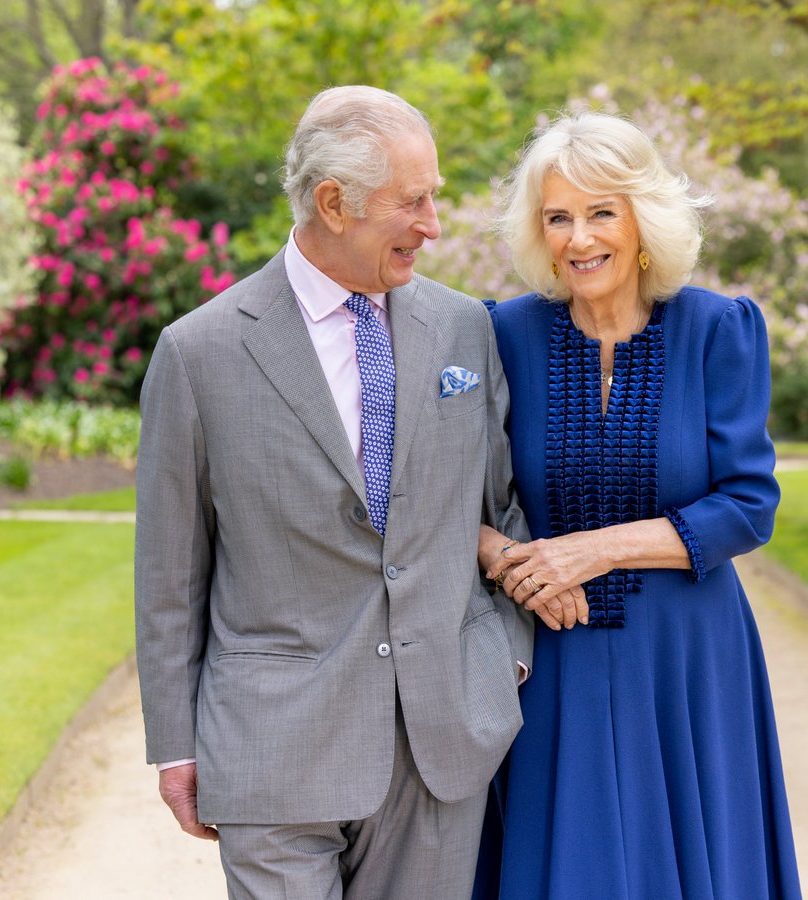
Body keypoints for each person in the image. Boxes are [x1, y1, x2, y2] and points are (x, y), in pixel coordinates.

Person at [134, 85, 583, 899]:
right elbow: (170, 571)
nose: (434, 225)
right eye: (413, 202)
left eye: (434, 197)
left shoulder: (461, 329)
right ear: (334, 203)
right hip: (273, 751)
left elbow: (499, 505)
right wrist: (174, 745)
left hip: (439, 740)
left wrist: (499, 662)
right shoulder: (198, 354)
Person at [474, 111, 802, 899]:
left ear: (642, 221)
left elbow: (750, 504)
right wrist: (507, 561)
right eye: (558, 217)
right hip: (553, 654)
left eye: (600, 213)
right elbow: (446, 494)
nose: (579, 238)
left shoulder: (719, 328)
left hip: (690, 659)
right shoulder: (498, 335)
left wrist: (597, 548)